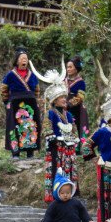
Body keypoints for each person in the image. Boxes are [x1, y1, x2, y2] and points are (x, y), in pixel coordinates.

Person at [36, 61, 80, 202]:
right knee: (58, 171)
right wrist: (53, 138)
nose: (64, 100)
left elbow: (74, 128)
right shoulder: (51, 113)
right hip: (57, 149)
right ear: (54, 100)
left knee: (70, 171)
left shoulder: (67, 115)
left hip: (68, 149)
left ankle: (70, 195)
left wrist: (75, 139)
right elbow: (47, 128)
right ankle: (55, 196)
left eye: (64, 97)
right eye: (61, 98)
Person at [0, 49, 40, 159]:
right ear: (17, 61)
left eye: (26, 59)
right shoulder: (10, 75)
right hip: (14, 104)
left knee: (30, 127)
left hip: (30, 105)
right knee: (14, 127)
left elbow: (37, 90)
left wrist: (33, 100)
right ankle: (15, 153)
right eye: (22, 58)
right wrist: (7, 103)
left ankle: (30, 152)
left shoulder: (32, 75)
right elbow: (3, 90)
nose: (24, 60)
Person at [65, 55, 89, 137]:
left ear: (76, 68)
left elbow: (80, 98)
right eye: (67, 67)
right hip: (64, 109)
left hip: (77, 110)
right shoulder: (63, 81)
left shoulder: (81, 82)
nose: (68, 69)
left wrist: (68, 104)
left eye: (70, 67)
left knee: (77, 131)